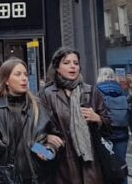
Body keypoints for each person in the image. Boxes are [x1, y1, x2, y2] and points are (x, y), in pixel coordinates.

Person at [0, 58, 59, 184]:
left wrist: (46, 150)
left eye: (25, 74)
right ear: (6, 80)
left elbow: (56, 138)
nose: (24, 78)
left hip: (37, 178)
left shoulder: (38, 106)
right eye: (18, 74)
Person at [40, 47, 112, 184]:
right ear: (57, 67)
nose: (72, 66)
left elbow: (111, 128)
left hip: (92, 166)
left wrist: (98, 119)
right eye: (66, 63)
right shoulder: (47, 94)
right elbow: (34, 132)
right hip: (61, 166)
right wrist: (47, 137)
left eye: (76, 63)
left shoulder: (91, 92)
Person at [96, 68, 130, 168]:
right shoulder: (121, 90)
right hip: (122, 133)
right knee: (121, 165)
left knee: (105, 166)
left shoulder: (96, 90)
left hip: (104, 134)